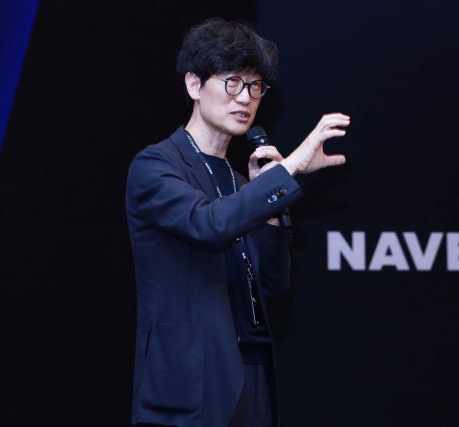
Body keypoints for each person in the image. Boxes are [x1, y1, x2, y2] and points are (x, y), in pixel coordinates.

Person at [126, 17, 350, 427]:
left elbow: (274, 285)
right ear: (194, 85)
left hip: (251, 366)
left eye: (255, 86)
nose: (245, 98)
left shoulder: (243, 182)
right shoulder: (155, 166)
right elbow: (207, 224)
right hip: (191, 380)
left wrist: (273, 205)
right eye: (232, 82)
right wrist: (292, 168)